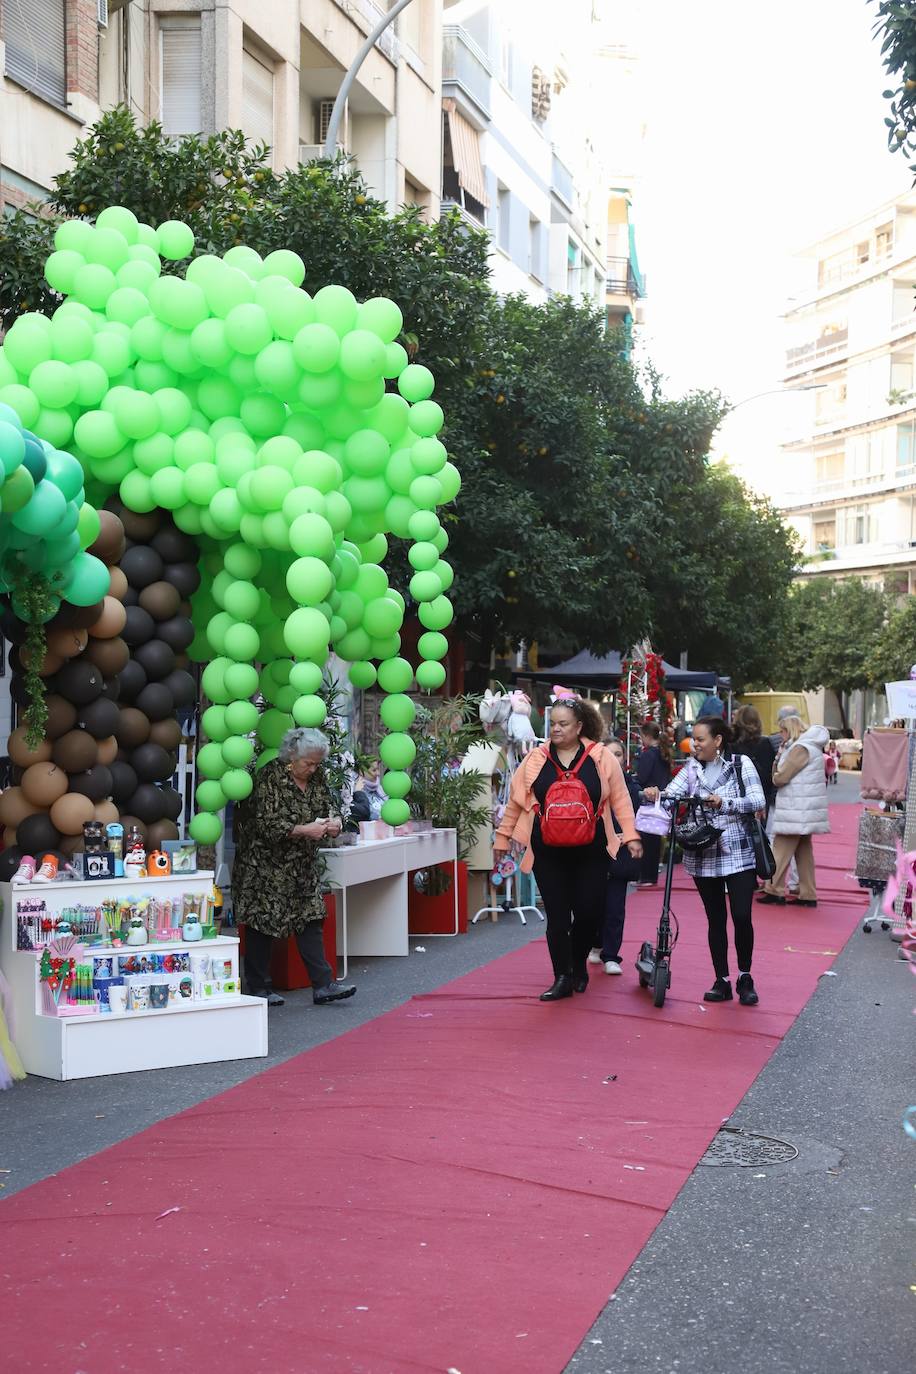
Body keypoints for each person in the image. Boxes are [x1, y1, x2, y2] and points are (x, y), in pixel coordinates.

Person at [493, 696, 642, 1002]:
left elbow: (621, 799)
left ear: (579, 726)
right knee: (558, 918)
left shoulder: (601, 757)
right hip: (548, 851)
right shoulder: (536, 759)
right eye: (553, 724)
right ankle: (562, 976)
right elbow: (516, 800)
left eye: (563, 724)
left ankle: (578, 965)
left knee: (588, 913)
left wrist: (630, 836)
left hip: (592, 849)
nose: (556, 730)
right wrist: (503, 837)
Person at [644, 716, 765, 1005]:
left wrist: (726, 803)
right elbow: (671, 795)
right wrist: (655, 795)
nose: (693, 744)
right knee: (715, 919)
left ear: (717, 740)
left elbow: (758, 800)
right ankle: (721, 979)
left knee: (741, 916)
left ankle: (745, 976)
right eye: (693, 739)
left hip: (738, 852)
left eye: (699, 739)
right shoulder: (692, 769)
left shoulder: (740, 764)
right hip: (703, 852)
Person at [233, 727, 357, 1007]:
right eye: (308, 763)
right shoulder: (270, 777)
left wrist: (333, 824)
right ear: (291, 756)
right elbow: (266, 824)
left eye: (317, 763)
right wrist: (303, 830)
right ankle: (258, 986)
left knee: (311, 919)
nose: (313, 769)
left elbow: (326, 806)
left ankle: (323, 984)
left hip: (300, 864)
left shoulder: (318, 777)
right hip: (264, 864)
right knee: (261, 923)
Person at [758, 714, 830, 907]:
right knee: (803, 853)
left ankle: (774, 890)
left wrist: (777, 764)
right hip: (803, 808)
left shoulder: (799, 748)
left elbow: (781, 778)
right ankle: (808, 893)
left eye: (782, 731)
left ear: (789, 730)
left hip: (795, 808)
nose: (780, 735)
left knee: (780, 850)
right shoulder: (811, 746)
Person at [588, 737, 643, 975]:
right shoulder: (590, 784)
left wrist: (627, 836)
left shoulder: (632, 787)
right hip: (593, 852)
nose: (614, 758)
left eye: (618, 754)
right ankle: (595, 943)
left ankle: (611, 954)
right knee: (591, 905)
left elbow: (637, 818)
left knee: (615, 907)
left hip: (619, 855)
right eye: (609, 753)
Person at [635, 721, 671, 887]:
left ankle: (645, 876)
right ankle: (651, 876)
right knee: (654, 838)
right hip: (661, 799)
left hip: (647, 799)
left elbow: (642, 777)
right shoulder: (663, 753)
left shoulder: (648, 755)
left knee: (645, 838)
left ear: (647, 736)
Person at [732, 705, 777, 820]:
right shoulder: (765, 743)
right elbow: (769, 775)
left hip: (736, 795)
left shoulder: (731, 745)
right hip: (760, 795)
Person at [348, 758, 387, 826]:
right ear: (361, 772)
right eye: (374, 770)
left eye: (378, 769)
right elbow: (364, 814)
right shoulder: (353, 792)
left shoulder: (380, 789)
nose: (378, 773)